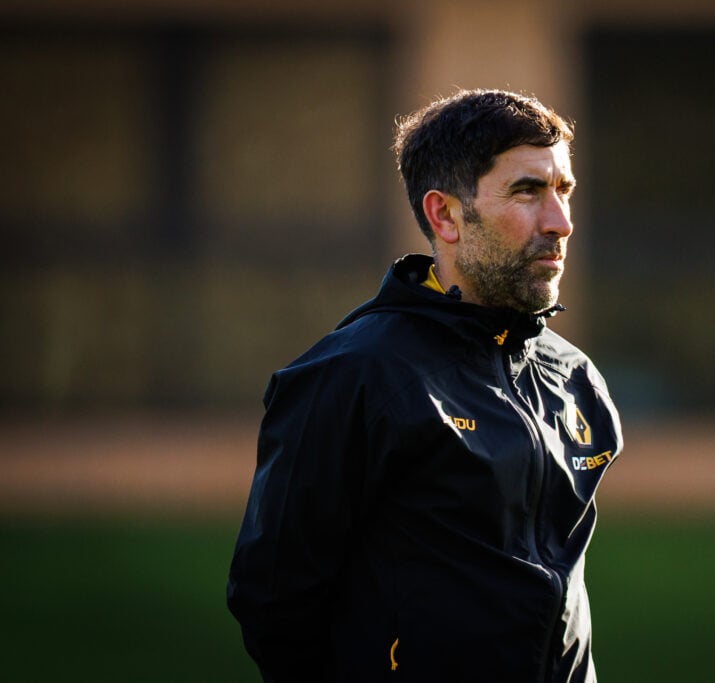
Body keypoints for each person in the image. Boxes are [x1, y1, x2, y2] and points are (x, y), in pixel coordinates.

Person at [227, 88, 623, 682]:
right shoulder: (353, 375)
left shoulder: (575, 377)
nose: (560, 223)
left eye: (563, 190)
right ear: (445, 216)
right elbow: (274, 602)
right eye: (527, 192)